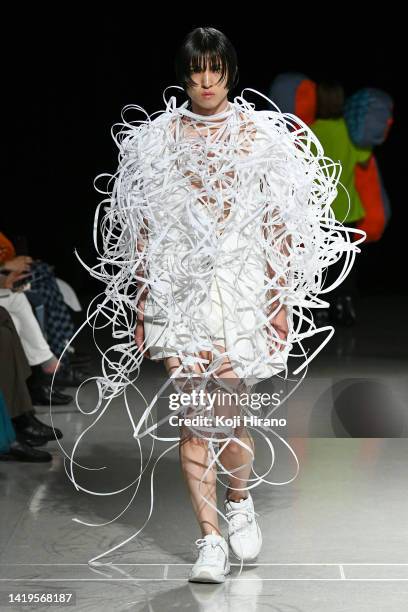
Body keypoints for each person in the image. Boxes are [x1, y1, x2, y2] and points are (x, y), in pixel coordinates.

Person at [73, 27, 366, 582]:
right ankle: (209, 540)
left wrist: (278, 298)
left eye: (215, 69)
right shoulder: (156, 141)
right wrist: (139, 301)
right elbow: (143, 226)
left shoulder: (259, 135)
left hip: (238, 284)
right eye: (195, 70)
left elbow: (277, 222)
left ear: (230, 72)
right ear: (183, 75)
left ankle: (239, 501)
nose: (205, 81)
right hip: (176, 286)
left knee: (226, 416)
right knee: (193, 419)